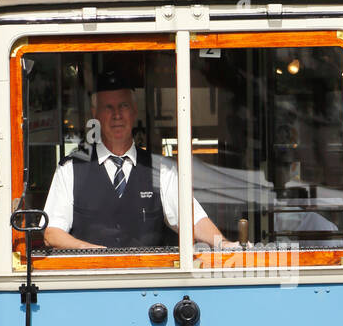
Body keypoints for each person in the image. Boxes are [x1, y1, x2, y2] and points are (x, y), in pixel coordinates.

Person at [43, 74, 226, 251]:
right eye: (108, 107)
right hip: (92, 279)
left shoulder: (160, 169)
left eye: (123, 106)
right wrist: (90, 251)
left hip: (147, 279)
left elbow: (193, 219)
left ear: (134, 111)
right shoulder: (71, 170)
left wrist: (223, 244)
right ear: (95, 114)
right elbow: (52, 233)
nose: (117, 115)